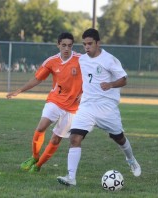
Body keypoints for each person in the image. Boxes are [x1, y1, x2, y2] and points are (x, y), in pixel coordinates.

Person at [57, 28, 141, 186]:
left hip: (107, 108)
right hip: (87, 106)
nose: (87, 47)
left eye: (90, 44)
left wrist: (110, 84)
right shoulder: (82, 59)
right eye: (84, 44)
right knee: (75, 138)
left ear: (98, 43)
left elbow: (124, 79)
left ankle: (131, 160)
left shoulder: (109, 60)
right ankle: (71, 178)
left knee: (119, 138)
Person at [6, 32, 82, 173]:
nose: (66, 49)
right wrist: (19, 90)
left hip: (73, 108)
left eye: (70, 46)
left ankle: (38, 165)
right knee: (41, 127)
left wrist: (84, 93)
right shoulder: (51, 61)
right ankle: (34, 157)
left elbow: (92, 78)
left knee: (56, 139)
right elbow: (37, 79)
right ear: (58, 45)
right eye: (64, 45)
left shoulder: (81, 60)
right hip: (55, 100)